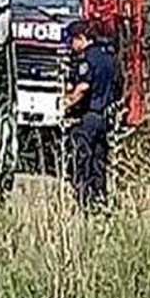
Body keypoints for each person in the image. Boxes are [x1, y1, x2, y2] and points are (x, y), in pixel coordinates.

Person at [62, 20, 115, 208]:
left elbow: (83, 87)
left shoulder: (87, 59)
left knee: (82, 158)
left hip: (88, 116)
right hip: (105, 116)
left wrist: (66, 103)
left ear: (81, 39)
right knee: (98, 161)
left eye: (72, 41)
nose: (71, 46)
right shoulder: (108, 56)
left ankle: (83, 199)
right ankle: (99, 199)